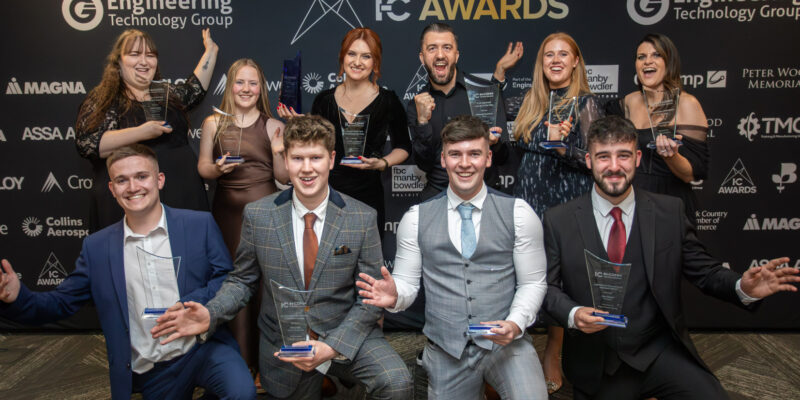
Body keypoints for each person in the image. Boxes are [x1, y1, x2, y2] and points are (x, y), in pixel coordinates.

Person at [151, 115, 413, 400]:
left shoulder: (361, 217)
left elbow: (370, 299)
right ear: (285, 160)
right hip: (285, 342)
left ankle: (336, 379)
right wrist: (210, 313)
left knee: (396, 382)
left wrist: (332, 346)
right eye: (298, 158)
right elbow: (242, 281)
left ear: (331, 159)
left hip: (345, 331)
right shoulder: (259, 215)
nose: (307, 168)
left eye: (316, 158)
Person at [542, 115, 799, 400]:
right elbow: (548, 289)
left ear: (638, 158)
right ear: (589, 161)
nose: (614, 166)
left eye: (623, 155)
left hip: (659, 351)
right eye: (604, 157)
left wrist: (741, 287)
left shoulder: (669, 212)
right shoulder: (558, 220)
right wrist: (573, 314)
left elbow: (705, 272)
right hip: (599, 360)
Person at [0, 144, 254, 400]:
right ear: (112, 189)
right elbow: (60, 304)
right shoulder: (97, 248)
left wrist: (193, 304)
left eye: (141, 176)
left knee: (241, 393)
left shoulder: (199, 224)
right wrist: (17, 296)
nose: (133, 187)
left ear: (159, 180)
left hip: (203, 347)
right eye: (122, 180)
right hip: (154, 367)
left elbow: (226, 279)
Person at [357, 115, 549, 400]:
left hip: (506, 344)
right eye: (455, 154)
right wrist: (395, 296)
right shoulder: (416, 218)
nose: (464, 163)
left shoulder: (519, 213)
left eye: (474, 154)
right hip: (447, 349)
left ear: (488, 158)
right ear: (443, 159)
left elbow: (533, 283)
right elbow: (407, 285)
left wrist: (516, 322)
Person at [511, 32, 604, 394]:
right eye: (549, 54)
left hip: (566, 197)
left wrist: (565, 147)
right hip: (529, 197)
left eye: (564, 54)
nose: (556, 60)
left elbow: (596, 161)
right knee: (525, 268)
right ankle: (518, 348)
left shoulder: (587, 104)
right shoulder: (531, 100)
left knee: (559, 276)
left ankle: (554, 349)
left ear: (576, 61)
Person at [197, 58, 288, 392]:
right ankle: (239, 364)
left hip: (265, 216)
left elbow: (284, 178)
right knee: (233, 285)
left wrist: (278, 151)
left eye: (253, 83)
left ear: (261, 88)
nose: (246, 89)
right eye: (240, 82)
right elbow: (203, 168)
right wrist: (217, 169)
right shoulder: (213, 123)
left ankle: (267, 364)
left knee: (265, 289)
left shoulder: (273, 124)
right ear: (230, 86)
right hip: (226, 215)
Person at [76, 28, 218, 232]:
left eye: (150, 55)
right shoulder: (105, 98)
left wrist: (211, 51)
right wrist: (142, 132)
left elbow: (193, 90)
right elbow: (88, 144)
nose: (144, 61)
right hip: (134, 200)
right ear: (118, 61)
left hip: (183, 194)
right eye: (135, 54)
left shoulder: (164, 93)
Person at [278, 27, 410, 238]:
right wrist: (299, 123)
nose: (357, 62)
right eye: (352, 54)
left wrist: (381, 163)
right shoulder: (324, 100)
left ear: (375, 62)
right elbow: (315, 144)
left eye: (366, 56)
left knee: (367, 255)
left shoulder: (388, 101)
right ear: (342, 57)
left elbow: (404, 147)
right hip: (328, 195)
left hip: (369, 195)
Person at [407, 22, 521, 201]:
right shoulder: (417, 104)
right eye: (432, 48)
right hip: (438, 194)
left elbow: (503, 158)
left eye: (447, 47)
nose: (440, 55)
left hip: (483, 193)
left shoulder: (485, 92)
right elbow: (424, 164)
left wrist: (494, 143)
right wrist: (422, 122)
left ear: (456, 55)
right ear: (422, 57)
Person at [608, 33, 709, 223]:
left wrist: (671, 156)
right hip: (632, 203)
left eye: (656, 55)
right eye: (641, 57)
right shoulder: (629, 102)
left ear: (669, 62)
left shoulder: (687, 104)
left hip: (669, 204)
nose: (647, 61)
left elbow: (690, 174)